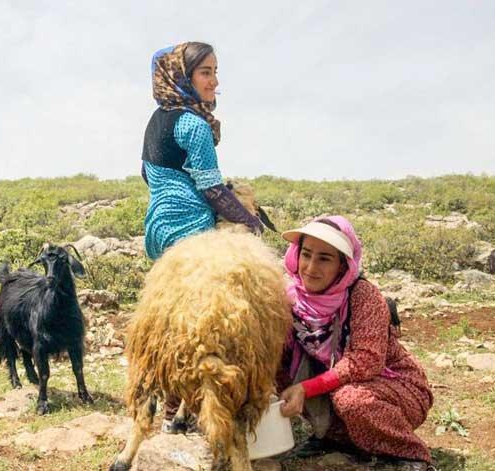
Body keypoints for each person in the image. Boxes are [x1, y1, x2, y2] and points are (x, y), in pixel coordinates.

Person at [140, 42, 264, 432]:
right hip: (192, 232)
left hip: (159, 228)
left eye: (215, 71)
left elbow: (148, 174)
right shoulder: (193, 124)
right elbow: (211, 189)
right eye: (205, 72)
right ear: (183, 76)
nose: (214, 80)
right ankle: (183, 414)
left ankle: (169, 413)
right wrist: (251, 222)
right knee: (197, 328)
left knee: (169, 319)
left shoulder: (158, 119)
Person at [276, 216, 433, 470]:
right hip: (336, 385)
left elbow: (366, 361)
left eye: (325, 258)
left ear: (342, 265)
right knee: (276, 372)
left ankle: (410, 454)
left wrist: (306, 388)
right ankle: (334, 437)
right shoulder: (291, 298)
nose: (311, 267)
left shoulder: (363, 296)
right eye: (306, 254)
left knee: (351, 400)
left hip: (394, 388)